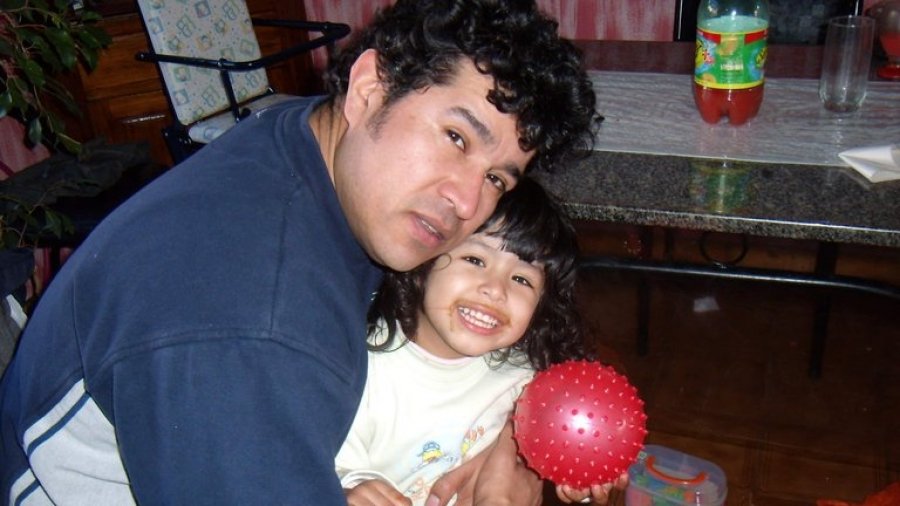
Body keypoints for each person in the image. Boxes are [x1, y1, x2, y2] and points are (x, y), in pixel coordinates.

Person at [0, 0, 602, 504]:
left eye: (497, 178)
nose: (467, 202)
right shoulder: (251, 330)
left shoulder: (309, 140)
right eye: (455, 137)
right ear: (369, 90)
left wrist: (510, 447)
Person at [336, 178, 622, 506]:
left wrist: (581, 473)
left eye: (521, 279)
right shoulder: (362, 368)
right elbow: (319, 463)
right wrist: (350, 490)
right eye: (475, 260)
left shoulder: (525, 380)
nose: (496, 289)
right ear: (424, 260)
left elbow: (555, 449)